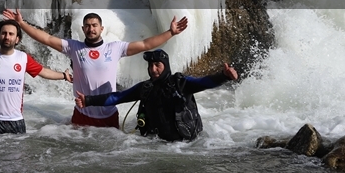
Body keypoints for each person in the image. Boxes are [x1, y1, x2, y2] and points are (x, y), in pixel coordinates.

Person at [3, 9, 188, 128]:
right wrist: (22, 24)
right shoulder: (73, 47)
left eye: (95, 26)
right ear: (83, 29)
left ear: (101, 28)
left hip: (108, 115)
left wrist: (170, 33)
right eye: (88, 26)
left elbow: (146, 44)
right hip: (82, 115)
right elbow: (47, 39)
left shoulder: (114, 48)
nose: (91, 29)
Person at [75, 49, 238, 141]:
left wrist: (223, 76)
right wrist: (89, 100)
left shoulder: (181, 83)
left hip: (188, 146)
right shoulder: (145, 88)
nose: (153, 69)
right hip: (157, 145)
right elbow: (118, 97)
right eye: (151, 65)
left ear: (165, 66)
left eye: (157, 65)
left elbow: (204, 82)